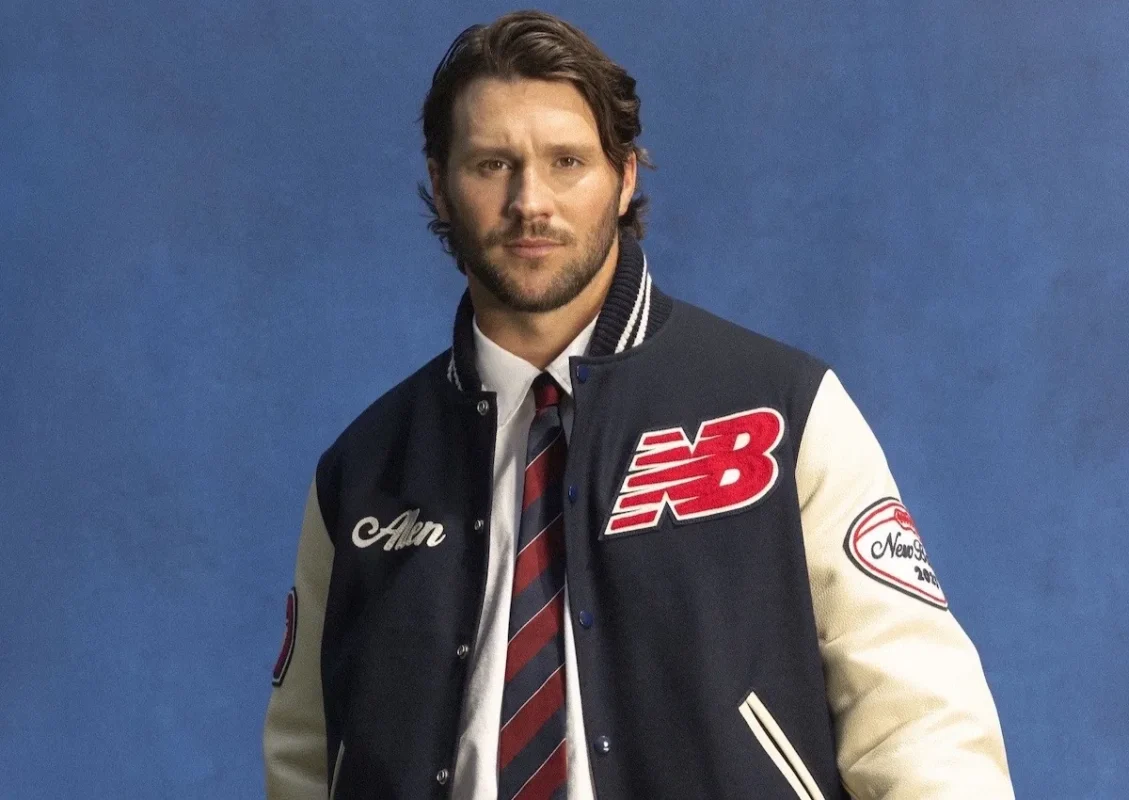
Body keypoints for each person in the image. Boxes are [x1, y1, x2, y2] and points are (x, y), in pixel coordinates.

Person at [263, 9, 1014, 799]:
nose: (529, 201)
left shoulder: (780, 412)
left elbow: (919, 723)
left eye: (566, 161)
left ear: (623, 178)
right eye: (491, 164)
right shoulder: (364, 472)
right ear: (442, 184)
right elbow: (304, 756)